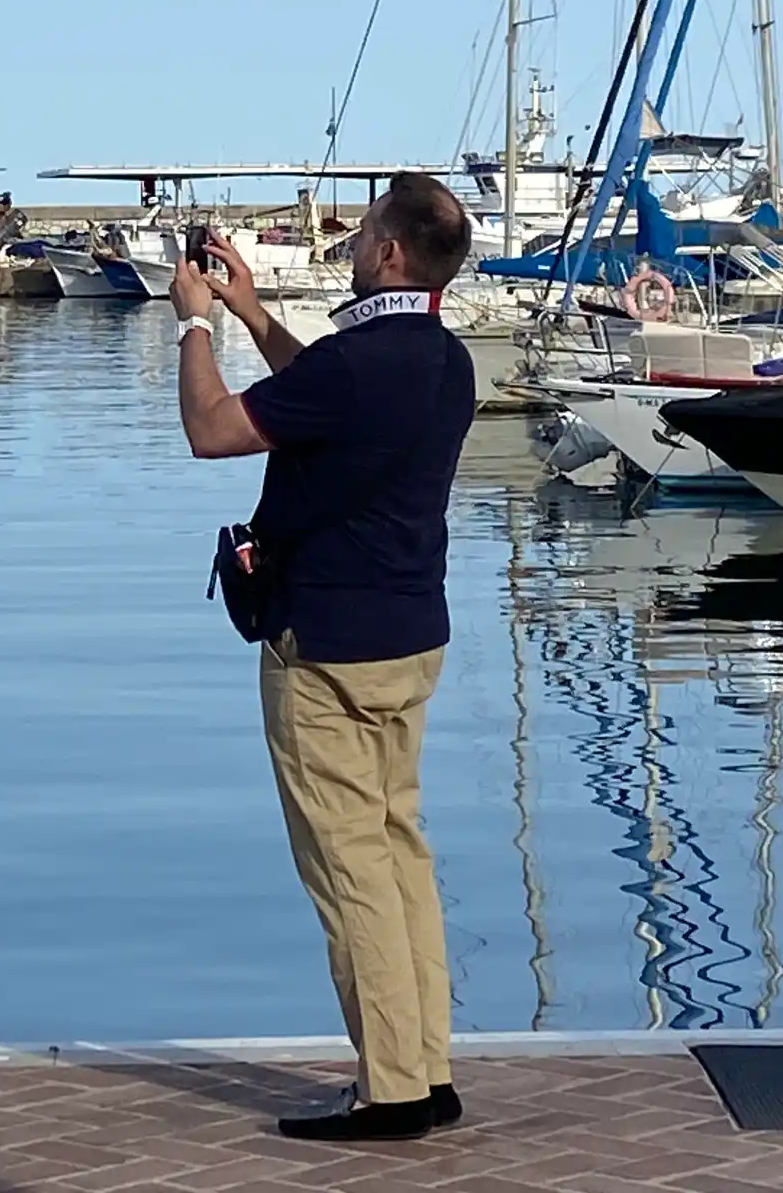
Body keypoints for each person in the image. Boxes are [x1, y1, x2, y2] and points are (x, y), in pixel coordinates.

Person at [170, 173, 475, 1144]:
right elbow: (320, 400)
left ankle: (389, 1094)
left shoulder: (354, 366)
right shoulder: (444, 359)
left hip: (328, 652)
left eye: (365, 231)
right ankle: (426, 1069)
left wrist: (195, 328)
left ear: (389, 253)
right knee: (398, 852)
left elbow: (213, 430)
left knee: (350, 871)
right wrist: (255, 312)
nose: (351, 243)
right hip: (410, 639)